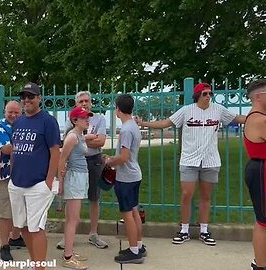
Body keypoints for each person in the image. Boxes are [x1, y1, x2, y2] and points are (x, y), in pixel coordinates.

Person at [136, 82, 246, 246]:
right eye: (204, 94)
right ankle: (184, 230)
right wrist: (144, 123)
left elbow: (238, 118)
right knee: (187, 195)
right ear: (197, 96)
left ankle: (204, 230)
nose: (208, 96)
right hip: (189, 160)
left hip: (210, 160)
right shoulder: (186, 111)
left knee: (206, 196)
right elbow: (166, 123)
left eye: (210, 94)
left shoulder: (219, 110)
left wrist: (258, 116)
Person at [9, 82, 60, 270]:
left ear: (39, 98)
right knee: (22, 226)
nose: (27, 100)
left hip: (38, 184)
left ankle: (40, 267)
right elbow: (14, 150)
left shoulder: (48, 121)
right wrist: (12, 174)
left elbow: (55, 151)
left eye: (31, 96)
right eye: (24, 96)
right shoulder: (18, 122)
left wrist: (48, 181)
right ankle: (34, 262)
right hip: (17, 182)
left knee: (36, 228)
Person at [57, 91, 108, 250]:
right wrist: (88, 138)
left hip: (94, 161)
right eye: (81, 101)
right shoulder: (71, 119)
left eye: (87, 101)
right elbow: (67, 141)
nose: (84, 104)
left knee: (94, 197)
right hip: (75, 164)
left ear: (91, 102)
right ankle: (68, 237)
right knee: (72, 200)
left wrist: (81, 140)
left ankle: (93, 234)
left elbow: (101, 141)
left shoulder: (99, 118)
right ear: (76, 104)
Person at [105, 94, 145, 264]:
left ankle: (134, 251)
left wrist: (108, 161)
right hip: (134, 175)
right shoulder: (133, 125)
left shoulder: (127, 129)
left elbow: (123, 157)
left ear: (118, 109)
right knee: (134, 211)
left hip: (126, 178)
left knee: (127, 214)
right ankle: (139, 245)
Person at [58, 107, 93, 269]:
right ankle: (68, 257)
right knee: (74, 219)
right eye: (84, 117)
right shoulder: (72, 137)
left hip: (80, 176)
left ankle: (69, 250)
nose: (87, 120)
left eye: (88, 117)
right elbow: (62, 158)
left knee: (72, 218)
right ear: (74, 120)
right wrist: (60, 184)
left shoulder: (80, 135)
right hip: (74, 178)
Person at [0, 100, 26, 261]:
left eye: (16, 112)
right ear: (5, 112)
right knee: (5, 213)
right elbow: (6, 148)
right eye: (10, 112)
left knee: (21, 209)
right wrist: (29, 146)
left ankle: (15, 237)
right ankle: (4, 245)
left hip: (23, 174)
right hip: (4, 176)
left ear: (21, 112)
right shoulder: (0, 127)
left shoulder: (25, 125)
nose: (13, 115)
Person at [243, 79, 266, 270]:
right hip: (261, 171)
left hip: (260, 169)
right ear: (259, 96)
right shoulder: (259, 120)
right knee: (263, 221)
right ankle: (260, 265)